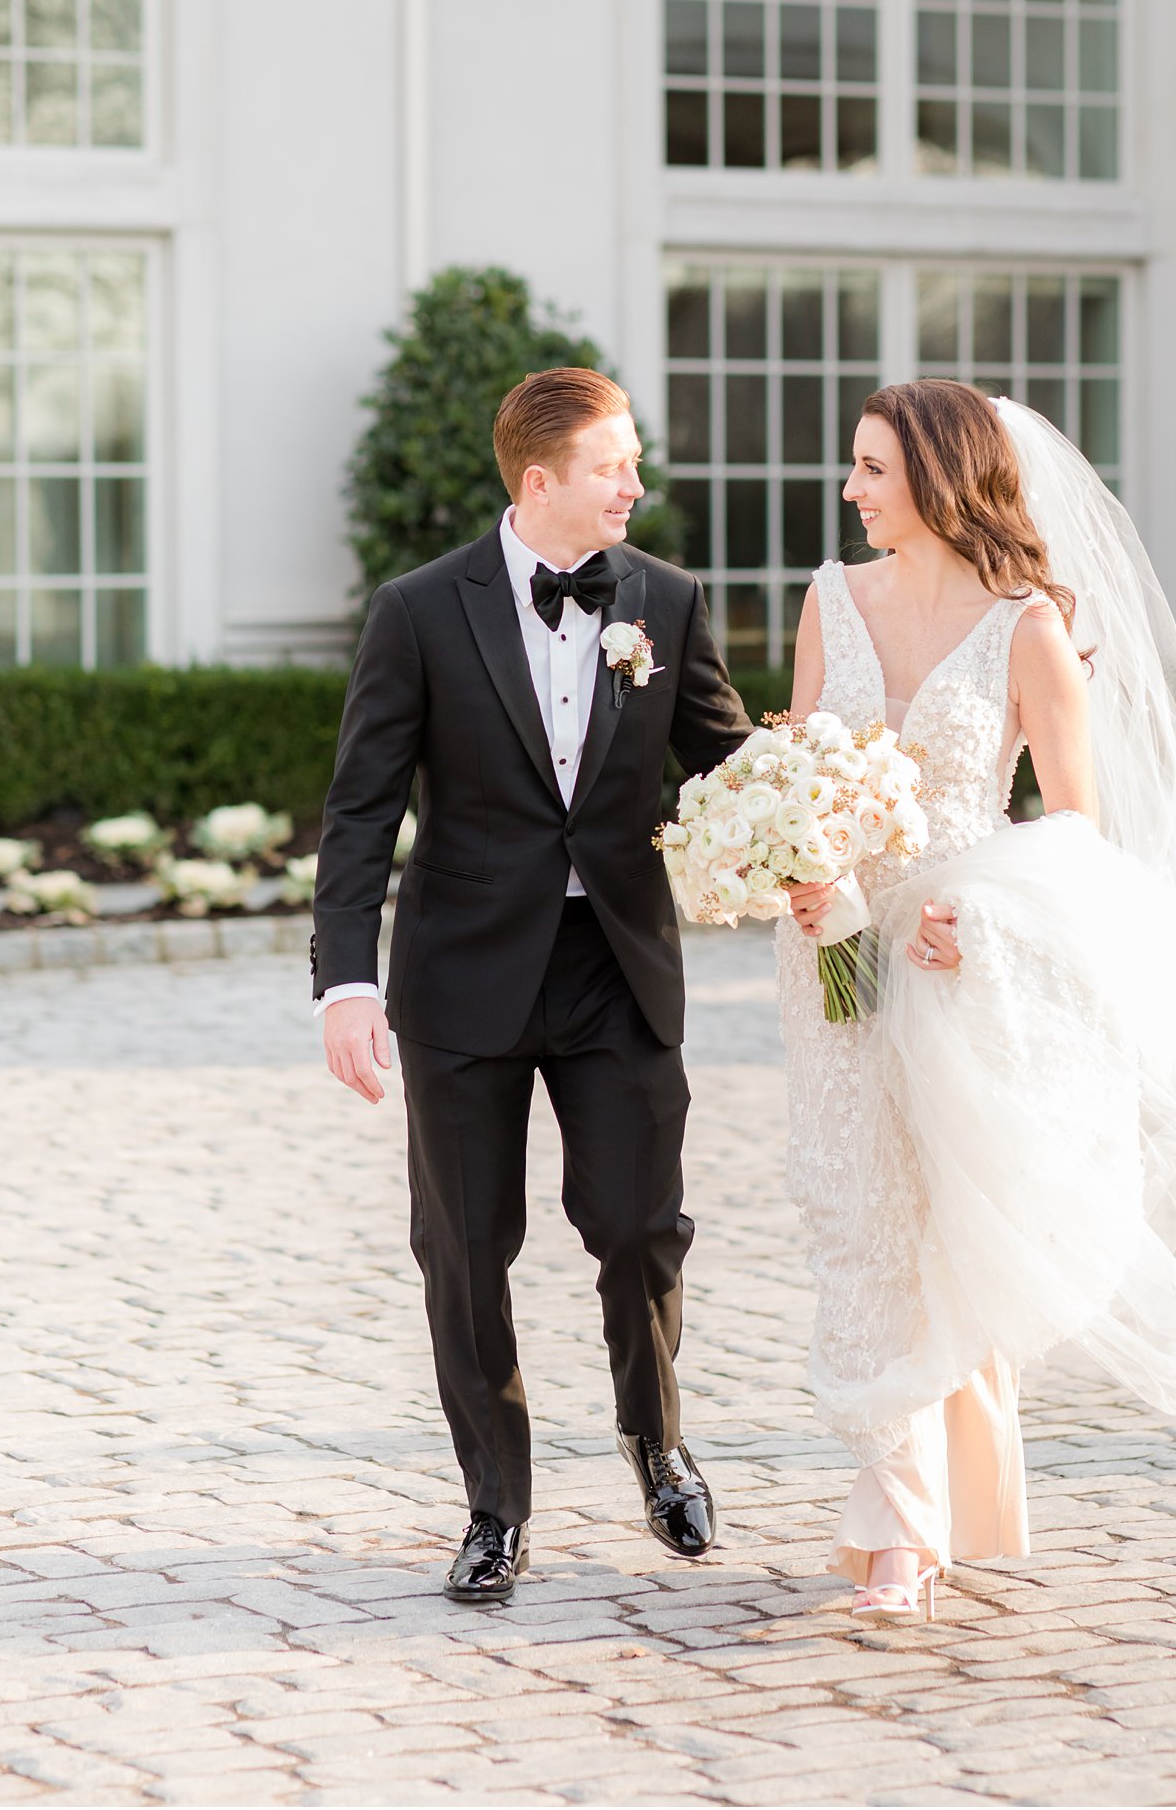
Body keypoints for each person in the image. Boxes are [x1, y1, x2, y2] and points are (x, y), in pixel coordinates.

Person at [780, 380, 1176, 1623]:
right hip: (831, 946)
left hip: (965, 959)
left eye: (871, 471)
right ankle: (897, 1527)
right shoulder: (827, 599)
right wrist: (798, 867)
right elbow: (795, 763)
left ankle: (955, 1502)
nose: (850, 491)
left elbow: (1075, 826)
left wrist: (982, 918)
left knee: (951, 1221)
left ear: (941, 480)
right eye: (852, 468)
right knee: (856, 1211)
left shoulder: (1024, 631)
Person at [312, 367, 749, 1604]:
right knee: (464, 1247)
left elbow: (728, 766)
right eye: (615, 464)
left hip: (614, 967)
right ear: (540, 477)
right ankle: (494, 1507)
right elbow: (358, 812)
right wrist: (344, 983)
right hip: (460, 979)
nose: (636, 484)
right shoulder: (417, 611)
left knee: (636, 1225)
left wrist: (822, 818)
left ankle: (653, 1438)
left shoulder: (661, 597)